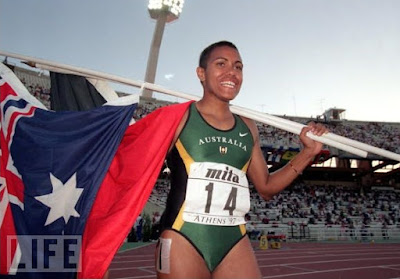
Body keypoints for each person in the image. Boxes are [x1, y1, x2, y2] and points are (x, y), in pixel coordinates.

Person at [155, 40, 328, 279]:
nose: (232, 73)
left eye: (238, 67)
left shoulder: (248, 127)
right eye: (221, 64)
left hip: (234, 239)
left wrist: (308, 153)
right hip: (182, 236)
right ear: (201, 73)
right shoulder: (178, 118)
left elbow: (266, 188)